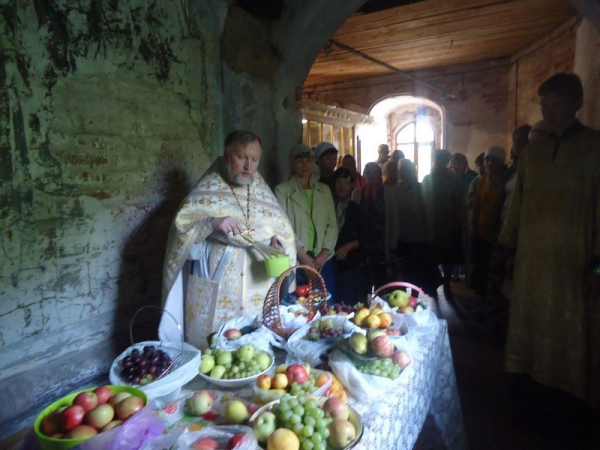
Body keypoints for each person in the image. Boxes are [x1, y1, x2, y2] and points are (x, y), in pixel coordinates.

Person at [499, 73, 600, 419]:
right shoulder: (533, 154)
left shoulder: (595, 148)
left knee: (569, 333)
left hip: (574, 262)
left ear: (577, 104)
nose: (548, 111)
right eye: (544, 105)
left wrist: (598, 266)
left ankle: (567, 409)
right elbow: (518, 206)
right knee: (529, 329)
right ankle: (527, 403)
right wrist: (509, 250)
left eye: (555, 104)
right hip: (531, 262)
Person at [160, 131, 297, 345]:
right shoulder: (208, 188)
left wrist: (277, 246)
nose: (248, 167)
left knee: (254, 350)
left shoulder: (262, 191)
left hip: (257, 285)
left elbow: (283, 230)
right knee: (211, 353)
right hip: (216, 280)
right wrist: (211, 223)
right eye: (241, 157)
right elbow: (181, 233)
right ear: (226, 156)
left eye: (254, 159)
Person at [275, 144, 339, 297]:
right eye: (299, 161)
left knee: (325, 304)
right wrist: (302, 255)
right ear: (292, 163)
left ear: (314, 163)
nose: (304, 165)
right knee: (297, 306)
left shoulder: (324, 190)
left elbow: (332, 225)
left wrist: (325, 252)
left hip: (323, 260)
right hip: (296, 259)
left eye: (308, 160)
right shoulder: (282, 190)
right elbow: (282, 226)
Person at [396, 159, 442, 297]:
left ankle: (415, 298)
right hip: (401, 238)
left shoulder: (422, 188)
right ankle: (401, 297)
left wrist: (429, 235)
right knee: (402, 271)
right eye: (401, 170)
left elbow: (429, 213)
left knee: (417, 271)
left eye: (407, 170)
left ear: (412, 171)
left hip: (418, 237)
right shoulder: (394, 190)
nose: (403, 173)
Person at [421, 150, 463, 300]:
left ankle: (447, 285)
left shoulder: (453, 179)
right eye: (439, 159)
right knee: (432, 257)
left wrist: (456, 221)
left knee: (447, 258)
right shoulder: (427, 179)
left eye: (444, 160)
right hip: (431, 223)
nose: (441, 162)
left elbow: (458, 202)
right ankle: (433, 285)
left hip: (447, 223)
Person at [352, 162, 400, 291]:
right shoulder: (357, 193)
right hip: (362, 246)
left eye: (374, 172)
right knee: (363, 283)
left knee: (382, 283)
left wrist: (392, 247)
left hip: (381, 245)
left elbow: (394, 222)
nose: (370, 175)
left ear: (379, 174)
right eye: (368, 172)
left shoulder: (388, 193)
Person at [470, 146, 507, 297]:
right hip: (481, 230)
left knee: (495, 271)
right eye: (487, 160)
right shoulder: (483, 180)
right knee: (481, 266)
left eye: (494, 160)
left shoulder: (507, 181)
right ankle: (480, 301)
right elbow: (477, 203)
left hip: (498, 233)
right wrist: (474, 225)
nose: (490, 163)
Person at [330, 167, 365, 306]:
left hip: (350, 265)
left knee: (350, 305)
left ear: (351, 186)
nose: (342, 187)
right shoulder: (327, 207)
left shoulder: (356, 209)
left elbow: (364, 237)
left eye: (346, 183)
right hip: (330, 263)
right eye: (339, 182)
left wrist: (347, 247)